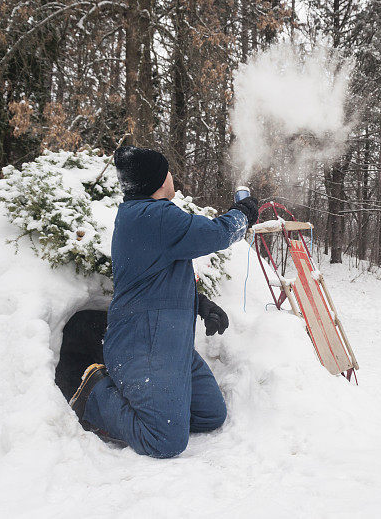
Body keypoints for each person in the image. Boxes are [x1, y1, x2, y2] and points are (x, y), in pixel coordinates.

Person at [68, 146, 259, 458]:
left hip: (171, 344)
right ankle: (95, 393)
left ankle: (149, 399)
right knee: (165, 440)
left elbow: (154, 278)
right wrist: (243, 215)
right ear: (155, 181)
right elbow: (213, 234)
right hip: (144, 346)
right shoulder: (152, 215)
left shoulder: (142, 218)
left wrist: (199, 303)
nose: (173, 177)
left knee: (211, 415)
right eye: (167, 172)